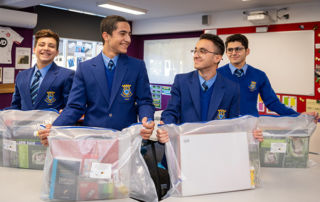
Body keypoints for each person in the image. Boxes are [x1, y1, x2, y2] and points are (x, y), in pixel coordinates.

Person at [39, 15, 155, 146]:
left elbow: (145, 101)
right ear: (106, 36)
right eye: (122, 34)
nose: (128, 39)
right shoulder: (85, 68)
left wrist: (147, 119)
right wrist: (55, 128)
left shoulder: (137, 66)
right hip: (94, 139)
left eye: (129, 34)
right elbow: (75, 107)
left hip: (126, 139)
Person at [157, 34, 263, 143]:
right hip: (184, 147)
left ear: (217, 57)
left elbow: (234, 124)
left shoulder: (231, 88)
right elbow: (170, 112)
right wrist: (165, 128)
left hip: (215, 149)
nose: (196, 55)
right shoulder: (181, 81)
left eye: (202, 51)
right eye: (195, 51)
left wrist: (250, 134)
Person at [217, 34, 319, 121]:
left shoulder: (259, 75)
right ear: (226, 52)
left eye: (238, 49)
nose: (234, 53)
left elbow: (272, 103)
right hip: (224, 126)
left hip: (250, 127)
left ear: (247, 51)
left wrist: (298, 116)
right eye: (230, 50)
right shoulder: (217, 74)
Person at [7, 29, 74, 111]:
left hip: (51, 123)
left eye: (51, 46)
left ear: (56, 52)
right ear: (34, 49)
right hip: (23, 123)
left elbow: (71, 107)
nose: (46, 48)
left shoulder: (67, 75)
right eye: (41, 45)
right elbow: (15, 106)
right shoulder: (21, 75)